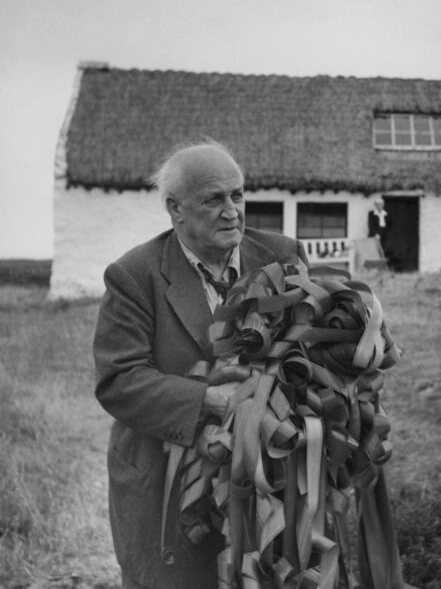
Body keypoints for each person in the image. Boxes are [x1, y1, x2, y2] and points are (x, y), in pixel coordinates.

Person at [93, 142, 307, 589]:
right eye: (214, 199)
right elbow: (119, 380)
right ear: (175, 208)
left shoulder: (282, 257)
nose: (232, 211)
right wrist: (212, 400)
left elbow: (308, 351)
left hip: (262, 486)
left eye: (238, 195)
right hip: (163, 490)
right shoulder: (134, 275)